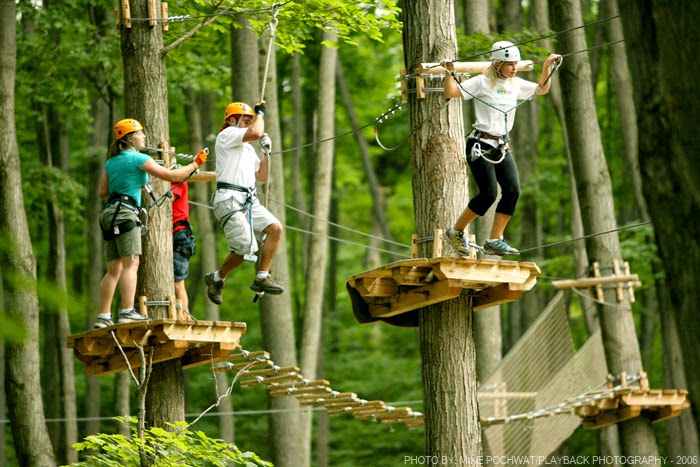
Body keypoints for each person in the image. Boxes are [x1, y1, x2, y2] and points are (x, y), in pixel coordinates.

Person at [440, 41, 560, 256]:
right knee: (488, 194)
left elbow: (541, 89)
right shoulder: (482, 82)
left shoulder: (515, 83)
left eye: (515, 64)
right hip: (480, 143)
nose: (514, 68)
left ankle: (495, 239)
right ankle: (456, 231)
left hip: (501, 145)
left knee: (513, 190)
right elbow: (451, 92)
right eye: (509, 64)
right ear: (497, 64)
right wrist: (450, 71)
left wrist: (547, 67)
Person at [95, 118, 207, 329]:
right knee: (131, 263)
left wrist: (126, 182)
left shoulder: (111, 162)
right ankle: (128, 311)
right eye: (140, 134)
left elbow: (103, 192)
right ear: (130, 138)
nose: (144, 137)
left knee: (114, 268)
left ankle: (103, 316)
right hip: (126, 214)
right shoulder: (138, 158)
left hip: (109, 214)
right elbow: (171, 175)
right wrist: (196, 163)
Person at [204, 101, 284, 305]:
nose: (250, 124)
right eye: (246, 120)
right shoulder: (227, 135)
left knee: (275, 228)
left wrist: (267, 153)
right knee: (246, 247)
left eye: (251, 120)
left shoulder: (247, 149)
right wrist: (261, 115)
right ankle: (217, 277)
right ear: (232, 119)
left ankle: (262, 277)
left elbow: (262, 176)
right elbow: (256, 133)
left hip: (249, 199)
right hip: (229, 199)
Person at [172, 180, 196, 320]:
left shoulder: (177, 181)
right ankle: (182, 314)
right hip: (175, 234)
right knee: (174, 281)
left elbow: (166, 200)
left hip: (180, 235)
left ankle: (184, 316)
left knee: (177, 282)